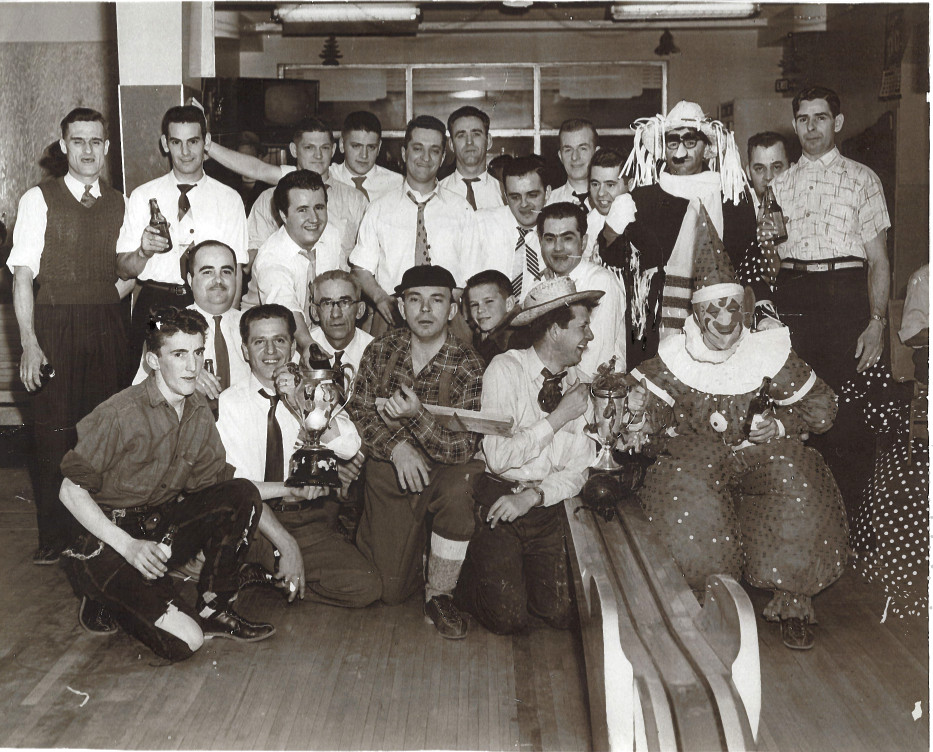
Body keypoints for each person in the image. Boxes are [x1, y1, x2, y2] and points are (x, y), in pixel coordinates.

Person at [618, 207, 847, 650]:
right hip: (694, 457)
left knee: (800, 475)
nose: (725, 319)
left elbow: (823, 405)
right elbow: (641, 408)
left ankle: (793, 596)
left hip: (757, 453)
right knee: (684, 496)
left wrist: (780, 424)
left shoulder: (766, 350)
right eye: (714, 310)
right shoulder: (676, 358)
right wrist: (645, 422)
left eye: (731, 307)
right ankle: (705, 597)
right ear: (698, 316)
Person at [59, 307, 277, 661]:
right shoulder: (120, 413)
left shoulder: (197, 411)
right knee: (186, 642)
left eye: (198, 352)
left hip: (158, 528)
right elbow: (69, 490)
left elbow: (222, 488)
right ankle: (101, 593)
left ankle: (213, 609)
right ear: (153, 361)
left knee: (240, 494)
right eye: (179, 354)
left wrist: (289, 487)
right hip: (106, 538)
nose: (193, 366)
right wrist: (129, 548)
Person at [761, 85, 891, 521]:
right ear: (794, 123)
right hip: (795, 299)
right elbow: (768, 261)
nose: (811, 127)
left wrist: (876, 321)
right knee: (798, 409)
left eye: (820, 118)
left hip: (847, 298)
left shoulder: (863, 179)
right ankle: (807, 520)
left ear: (837, 122)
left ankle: (854, 521)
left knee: (850, 415)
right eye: (803, 119)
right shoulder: (778, 186)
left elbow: (878, 260)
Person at [8, 107, 130, 564]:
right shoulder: (38, 199)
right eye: (78, 141)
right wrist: (30, 342)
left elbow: (129, 273)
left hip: (107, 325)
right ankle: (54, 536)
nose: (87, 150)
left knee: (101, 435)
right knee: (52, 435)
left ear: (106, 147)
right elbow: (23, 277)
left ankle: (93, 534)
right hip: (54, 323)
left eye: (96, 141)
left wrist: (100, 299)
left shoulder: (122, 202)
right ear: (63, 147)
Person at [456, 277, 599, 634]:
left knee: (564, 613)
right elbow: (500, 456)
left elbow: (582, 469)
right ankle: (470, 575)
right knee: (507, 618)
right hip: (497, 495)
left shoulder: (580, 385)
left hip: (545, 504)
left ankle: (516, 575)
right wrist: (557, 418)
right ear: (553, 330)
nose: (590, 337)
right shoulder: (505, 370)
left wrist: (535, 497)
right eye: (582, 327)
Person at [349, 265, 484, 639]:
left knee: (461, 490)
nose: (425, 311)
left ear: (452, 310)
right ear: (401, 307)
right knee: (389, 592)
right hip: (393, 472)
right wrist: (397, 449)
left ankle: (440, 592)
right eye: (414, 300)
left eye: (436, 301)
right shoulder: (380, 350)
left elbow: (463, 447)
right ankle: (416, 555)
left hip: (445, 473)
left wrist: (417, 416)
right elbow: (359, 413)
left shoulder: (468, 363)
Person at [216, 304, 381, 609]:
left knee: (365, 587)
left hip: (309, 520)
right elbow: (241, 486)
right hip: (257, 521)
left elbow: (349, 446)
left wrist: (303, 402)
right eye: (259, 342)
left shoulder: (317, 391)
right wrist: (286, 543)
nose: (270, 351)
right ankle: (279, 563)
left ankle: (271, 576)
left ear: (293, 346)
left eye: (279, 340)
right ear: (244, 350)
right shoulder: (230, 403)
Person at [599, 100, 767, 371]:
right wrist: (612, 231)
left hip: (722, 327)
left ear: (707, 148)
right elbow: (614, 259)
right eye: (672, 142)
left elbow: (750, 264)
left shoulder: (733, 198)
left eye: (690, 142)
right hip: (655, 330)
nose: (679, 152)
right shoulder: (642, 199)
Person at [116, 105, 248, 369]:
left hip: (206, 302)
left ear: (206, 142)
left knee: (206, 372)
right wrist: (143, 252)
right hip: (156, 305)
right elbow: (122, 268)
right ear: (165, 144)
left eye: (193, 142)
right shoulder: (142, 196)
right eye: (176, 142)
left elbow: (237, 271)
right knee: (149, 372)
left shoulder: (229, 199)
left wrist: (228, 321)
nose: (185, 152)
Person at [349, 115, 478, 336]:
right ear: (403, 153)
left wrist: (439, 306)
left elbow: (471, 274)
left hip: (448, 318)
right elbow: (360, 269)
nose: (425, 158)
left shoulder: (462, 210)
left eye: (434, 150)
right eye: (418, 148)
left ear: (443, 156)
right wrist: (381, 299)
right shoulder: (380, 208)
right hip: (392, 316)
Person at [207, 117, 367, 265]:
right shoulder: (268, 199)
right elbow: (253, 256)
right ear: (294, 150)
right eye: (309, 147)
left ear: (333, 150)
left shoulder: (355, 200)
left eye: (324, 148)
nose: (318, 155)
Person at [242, 169, 344, 359]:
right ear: (283, 214)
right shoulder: (271, 256)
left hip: (315, 335)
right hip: (275, 340)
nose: (314, 219)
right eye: (302, 210)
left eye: (319, 207)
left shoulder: (332, 235)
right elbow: (287, 310)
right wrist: (309, 345)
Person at [133, 240, 249, 391]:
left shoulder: (252, 325)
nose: (218, 280)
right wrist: (183, 375)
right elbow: (141, 388)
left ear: (235, 278)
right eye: (207, 272)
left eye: (226, 271)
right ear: (190, 280)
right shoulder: (166, 323)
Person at [538, 202, 626, 380]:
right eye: (550, 239)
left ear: (584, 242)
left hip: (594, 390)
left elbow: (594, 360)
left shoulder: (600, 282)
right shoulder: (540, 283)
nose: (558, 247)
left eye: (567, 238)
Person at [475, 155, 550, 303]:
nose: (524, 204)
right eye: (515, 197)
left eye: (532, 195)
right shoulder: (481, 224)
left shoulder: (558, 231)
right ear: (505, 196)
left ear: (547, 192)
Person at [439, 106, 504, 210]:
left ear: (489, 141)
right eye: (461, 135)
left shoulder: (505, 194)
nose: (469, 141)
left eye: (476, 134)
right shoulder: (438, 193)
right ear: (451, 144)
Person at [329, 111, 404, 201]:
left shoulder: (397, 183)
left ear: (379, 147)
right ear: (342, 144)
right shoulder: (329, 177)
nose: (364, 155)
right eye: (356, 146)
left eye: (371, 147)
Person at [463, 269, 517, 365]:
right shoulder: (479, 336)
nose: (480, 310)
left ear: (509, 304)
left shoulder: (516, 342)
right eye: (474, 304)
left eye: (488, 301)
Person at [584, 147, 630, 261]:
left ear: (630, 184)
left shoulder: (641, 218)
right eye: (595, 184)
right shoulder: (587, 225)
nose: (600, 193)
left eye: (610, 185)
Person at [547, 119, 598, 210]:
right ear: (560, 156)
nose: (575, 157)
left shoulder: (614, 200)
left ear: (596, 153)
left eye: (583, 148)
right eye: (568, 150)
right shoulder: (548, 202)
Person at [746, 131, 792, 209]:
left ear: (791, 170)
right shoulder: (736, 213)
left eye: (776, 167)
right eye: (759, 169)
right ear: (748, 172)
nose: (768, 177)